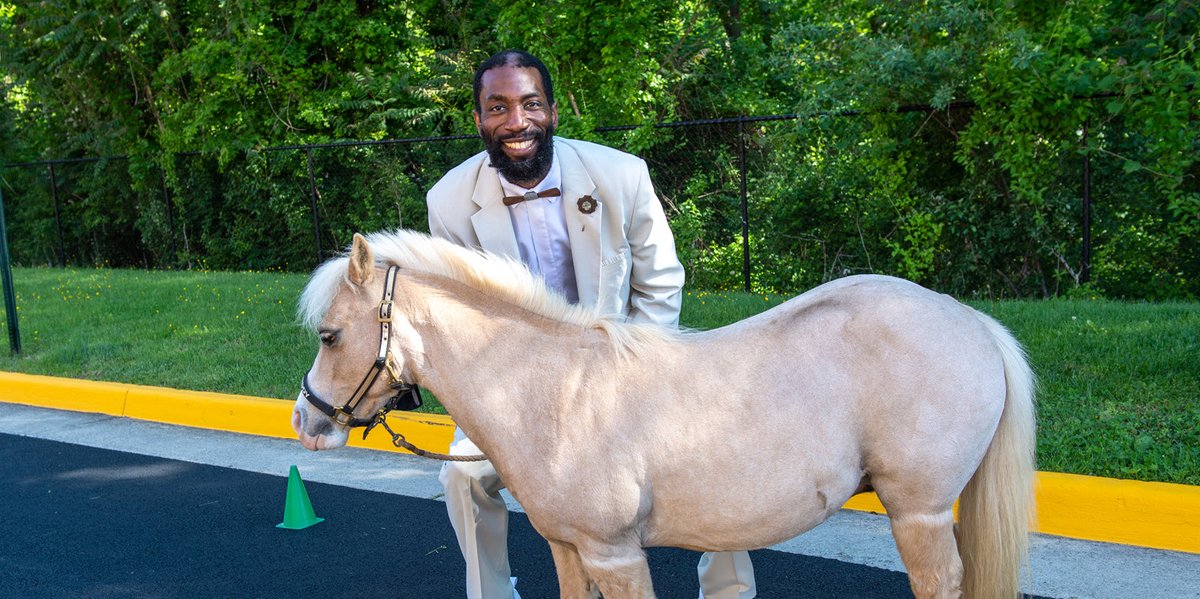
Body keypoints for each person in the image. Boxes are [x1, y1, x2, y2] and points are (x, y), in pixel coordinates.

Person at [425, 49, 757, 599]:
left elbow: (660, 284)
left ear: (553, 111)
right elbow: (464, 320)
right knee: (462, 475)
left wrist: (629, 376)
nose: (516, 121)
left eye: (531, 104)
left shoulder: (622, 175)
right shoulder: (449, 201)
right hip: (515, 386)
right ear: (479, 119)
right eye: (498, 107)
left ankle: (729, 591)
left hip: (627, 369)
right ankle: (492, 592)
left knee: (706, 446)